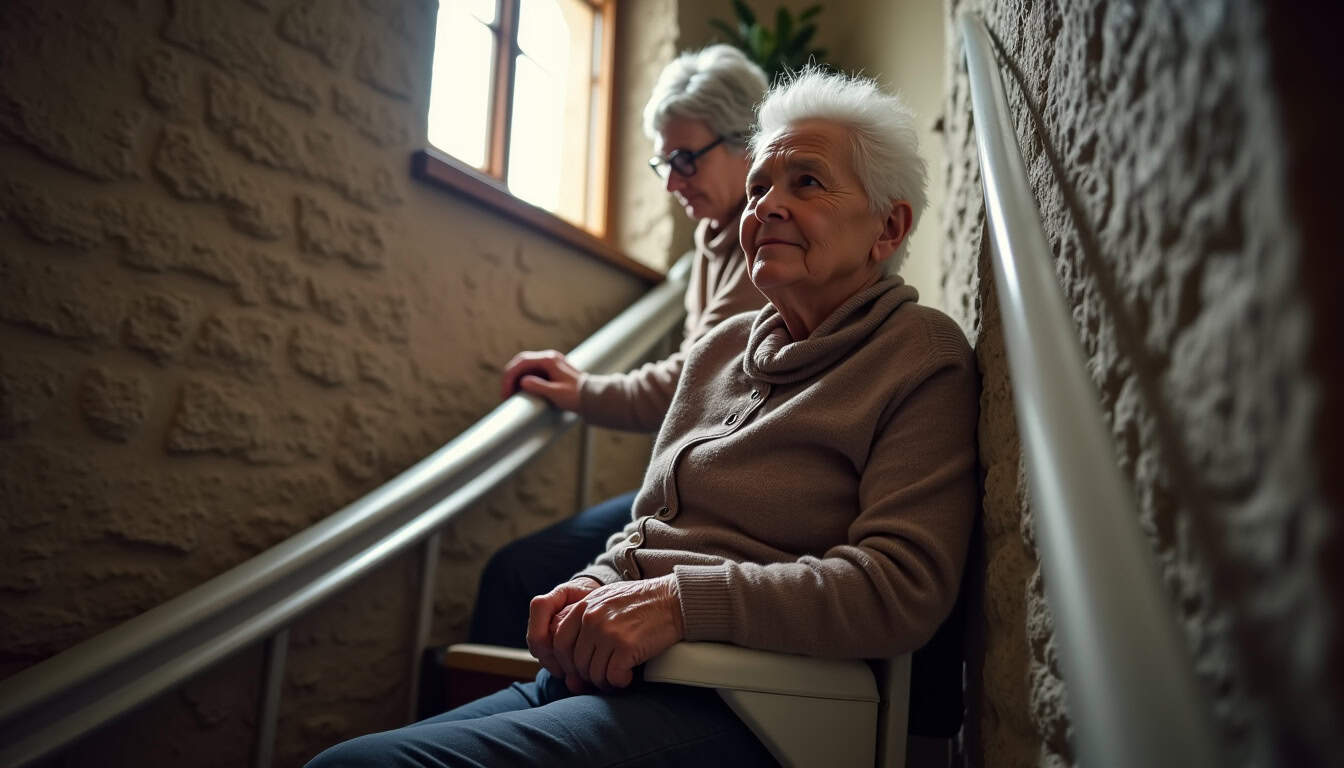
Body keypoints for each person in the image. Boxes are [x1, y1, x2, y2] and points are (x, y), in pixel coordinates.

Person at [308, 68, 978, 768]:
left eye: (806, 182)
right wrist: (596, 584)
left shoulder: (919, 352)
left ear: (889, 226)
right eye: (758, 188)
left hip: (750, 705)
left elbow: (901, 588)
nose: (765, 207)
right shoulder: (720, 348)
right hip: (622, 676)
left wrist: (679, 604)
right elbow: (645, 529)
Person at [468, 44, 769, 649]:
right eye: (665, 165)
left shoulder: (764, 242)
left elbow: (693, 382)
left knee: (517, 574)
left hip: (730, 503)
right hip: (693, 490)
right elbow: (698, 372)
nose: (674, 183)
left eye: (686, 158)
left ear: (749, 140)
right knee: (520, 576)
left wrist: (581, 391)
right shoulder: (712, 241)